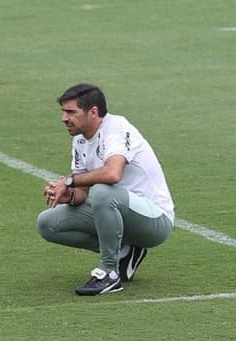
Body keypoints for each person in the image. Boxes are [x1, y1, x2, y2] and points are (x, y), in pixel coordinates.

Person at [36, 83, 175, 296]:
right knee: (48, 223)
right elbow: (82, 194)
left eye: (71, 112)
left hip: (155, 219)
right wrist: (69, 196)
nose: (64, 118)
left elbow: (112, 174)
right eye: (63, 112)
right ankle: (125, 251)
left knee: (102, 191)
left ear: (93, 112)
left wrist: (70, 181)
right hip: (116, 210)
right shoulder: (80, 140)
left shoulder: (116, 128)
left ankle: (109, 273)